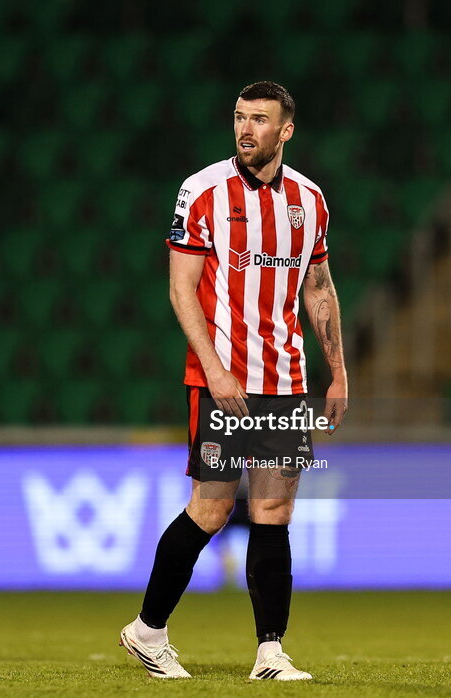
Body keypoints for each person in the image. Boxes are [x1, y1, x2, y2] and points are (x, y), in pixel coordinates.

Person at [118, 81, 348, 681]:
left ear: (286, 129)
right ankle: (147, 630)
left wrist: (339, 372)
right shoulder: (202, 190)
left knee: (274, 508)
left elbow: (319, 289)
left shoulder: (311, 201)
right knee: (213, 509)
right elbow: (180, 288)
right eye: (241, 118)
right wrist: (215, 369)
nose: (246, 129)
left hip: (286, 379)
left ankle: (270, 654)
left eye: (260, 119)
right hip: (221, 379)